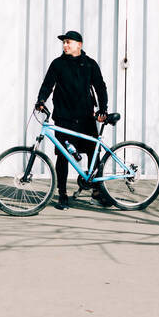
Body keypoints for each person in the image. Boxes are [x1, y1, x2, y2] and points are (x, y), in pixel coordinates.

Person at [35, 29, 109, 210]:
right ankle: (62, 194)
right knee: (63, 156)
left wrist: (102, 108)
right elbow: (47, 84)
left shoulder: (90, 64)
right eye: (64, 42)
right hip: (64, 117)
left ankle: (97, 193)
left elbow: (100, 87)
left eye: (68, 42)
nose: (65, 45)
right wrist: (41, 100)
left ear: (79, 45)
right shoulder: (58, 64)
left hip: (85, 117)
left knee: (93, 153)